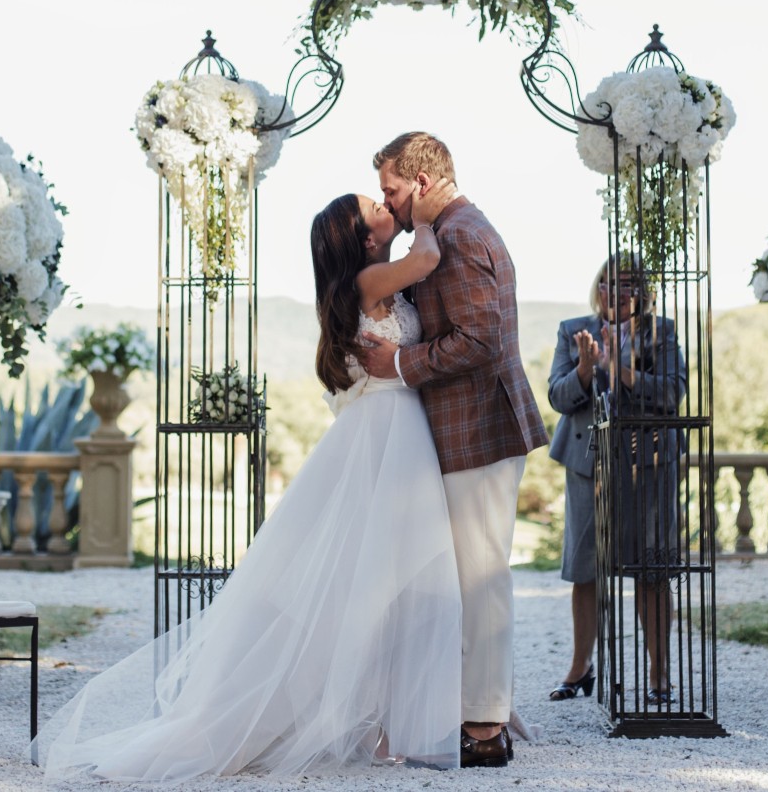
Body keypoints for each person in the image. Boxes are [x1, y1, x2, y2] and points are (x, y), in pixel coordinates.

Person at [34, 185, 464, 781]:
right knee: (365, 579)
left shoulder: (376, 281)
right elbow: (428, 259)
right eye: (377, 208)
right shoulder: (372, 282)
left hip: (399, 432)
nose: (388, 209)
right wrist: (428, 211)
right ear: (365, 238)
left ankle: (389, 723)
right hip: (382, 437)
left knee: (391, 579)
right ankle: (330, 719)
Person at [359, 131, 549, 769]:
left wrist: (399, 364)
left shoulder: (462, 235)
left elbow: (480, 340)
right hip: (466, 429)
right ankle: (468, 710)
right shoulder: (449, 231)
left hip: (480, 428)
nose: (388, 203)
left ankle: (485, 729)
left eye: (391, 189)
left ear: (421, 180)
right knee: (466, 576)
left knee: (481, 577)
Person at [544, 254, 686, 703]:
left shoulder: (661, 332)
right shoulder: (572, 330)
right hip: (589, 463)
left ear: (642, 292)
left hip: (649, 461)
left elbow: (672, 391)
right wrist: (586, 369)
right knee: (585, 570)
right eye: (608, 283)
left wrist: (617, 369)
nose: (616, 292)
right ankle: (579, 668)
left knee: (651, 567)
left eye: (627, 284)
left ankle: (659, 673)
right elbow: (557, 396)